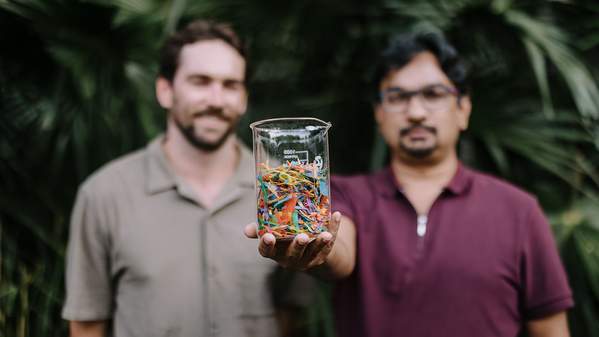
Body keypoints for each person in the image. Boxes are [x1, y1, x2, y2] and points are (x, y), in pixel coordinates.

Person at [246, 32, 574, 337]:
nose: (415, 112)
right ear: (379, 112)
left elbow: (551, 328)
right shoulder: (346, 194)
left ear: (464, 109)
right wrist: (318, 250)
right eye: (398, 96)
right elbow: (339, 249)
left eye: (433, 94)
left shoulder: (518, 211)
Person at [63, 19, 280, 337]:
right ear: (165, 90)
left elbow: (290, 313)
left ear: (244, 97)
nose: (217, 100)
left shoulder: (281, 188)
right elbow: (87, 324)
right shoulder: (104, 193)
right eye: (200, 81)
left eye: (230, 85)